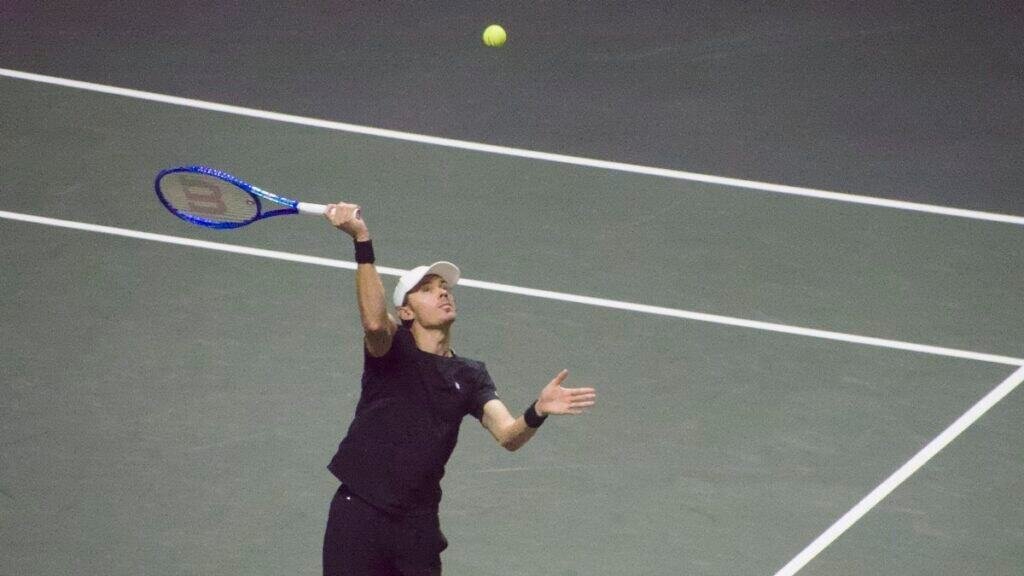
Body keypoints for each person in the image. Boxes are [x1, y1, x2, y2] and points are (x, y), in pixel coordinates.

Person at [321, 202, 597, 575]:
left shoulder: (470, 375)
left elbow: (508, 436)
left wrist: (538, 410)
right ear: (406, 312)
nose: (443, 293)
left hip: (416, 526)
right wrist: (362, 240)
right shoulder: (390, 349)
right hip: (361, 512)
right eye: (428, 290)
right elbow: (373, 322)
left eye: (445, 287)